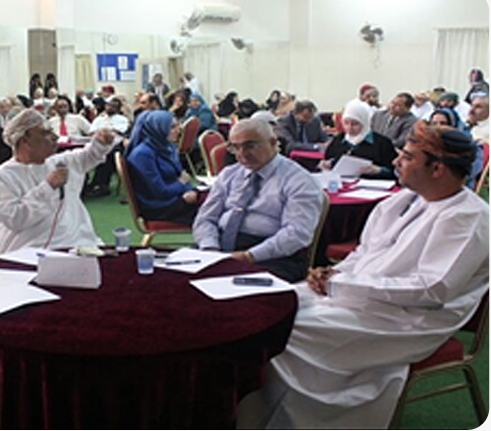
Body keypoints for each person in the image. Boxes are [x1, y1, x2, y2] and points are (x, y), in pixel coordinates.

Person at [241, 121, 488, 429]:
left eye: (407, 157)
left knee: (284, 334)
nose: (396, 161)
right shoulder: (403, 199)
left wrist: (341, 284)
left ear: (437, 169)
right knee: (270, 308)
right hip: (358, 294)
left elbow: (431, 290)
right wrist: (332, 273)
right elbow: (365, 253)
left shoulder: (468, 217)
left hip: (409, 319)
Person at [193, 118, 323, 283]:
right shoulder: (229, 174)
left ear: (273, 143)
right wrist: (210, 248)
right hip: (219, 244)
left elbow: (296, 234)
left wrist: (249, 256)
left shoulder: (299, 180)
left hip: (272, 254)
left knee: (229, 287)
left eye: (250, 146)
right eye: (235, 147)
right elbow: (205, 218)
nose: (242, 154)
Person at [0, 109, 115, 255]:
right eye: (45, 133)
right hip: (26, 251)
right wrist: (48, 187)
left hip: (75, 244)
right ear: (25, 140)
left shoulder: (60, 162)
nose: (55, 137)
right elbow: (16, 219)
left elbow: (88, 156)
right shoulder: (2, 177)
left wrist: (101, 143)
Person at [126, 111, 199, 226]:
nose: (179, 130)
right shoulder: (142, 154)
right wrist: (181, 185)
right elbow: (161, 191)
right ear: (158, 128)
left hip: (174, 197)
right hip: (159, 207)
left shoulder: (166, 146)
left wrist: (190, 190)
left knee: (215, 202)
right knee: (214, 212)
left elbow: (182, 176)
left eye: (178, 125)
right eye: (172, 127)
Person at [322, 101, 398, 179]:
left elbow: (396, 172)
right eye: (346, 123)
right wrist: (327, 164)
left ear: (364, 123)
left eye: (355, 124)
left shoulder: (382, 143)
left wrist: (379, 171)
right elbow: (328, 159)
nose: (349, 128)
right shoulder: (339, 140)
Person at [86, 97, 129, 197]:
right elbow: (91, 132)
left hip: (115, 145)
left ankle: (101, 185)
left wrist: (105, 131)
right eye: (108, 105)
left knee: (107, 155)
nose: (110, 108)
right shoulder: (99, 119)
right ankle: (88, 184)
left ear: (118, 109)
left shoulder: (122, 119)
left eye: (113, 106)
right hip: (97, 143)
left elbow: (120, 131)